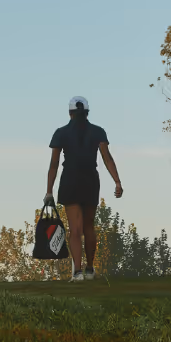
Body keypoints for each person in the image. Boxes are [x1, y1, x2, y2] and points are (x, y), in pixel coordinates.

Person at [45, 96, 122, 282]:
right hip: (90, 180)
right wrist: (117, 182)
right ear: (87, 112)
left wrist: (49, 190)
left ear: (70, 112)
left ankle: (77, 272)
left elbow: (54, 163)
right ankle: (89, 269)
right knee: (89, 227)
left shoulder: (61, 133)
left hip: (70, 179)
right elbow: (107, 158)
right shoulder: (98, 132)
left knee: (75, 229)